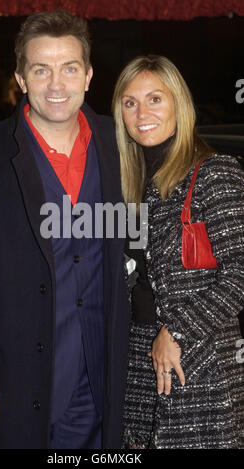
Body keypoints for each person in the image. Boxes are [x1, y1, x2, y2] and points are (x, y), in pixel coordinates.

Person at [0, 10, 130, 449]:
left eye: (69, 68)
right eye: (41, 70)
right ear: (21, 79)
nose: (57, 84)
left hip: (100, 375)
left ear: (87, 75)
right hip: (13, 378)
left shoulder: (123, 145)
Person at [112, 55, 244, 449]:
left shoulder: (215, 172)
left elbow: (239, 274)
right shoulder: (130, 184)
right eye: (129, 102)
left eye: (155, 99)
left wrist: (178, 330)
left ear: (179, 105)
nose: (141, 113)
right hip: (137, 358)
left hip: (199, 363)